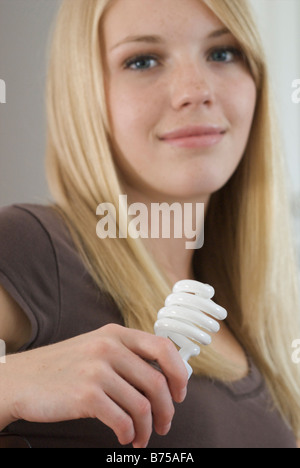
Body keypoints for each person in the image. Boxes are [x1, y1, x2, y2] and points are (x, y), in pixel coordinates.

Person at [0, 0, 299, 449]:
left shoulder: (265, 326)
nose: (195, 90)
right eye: (142, 60)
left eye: (222, 53)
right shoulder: (32, 249)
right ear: (85, 93)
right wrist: (9, 384)